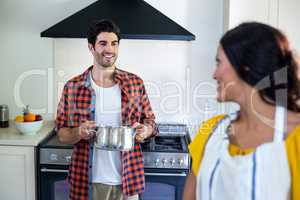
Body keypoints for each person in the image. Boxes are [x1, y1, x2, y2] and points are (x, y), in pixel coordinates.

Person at [183, 22, 300, 200]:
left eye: (219, 63)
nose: (214, 74)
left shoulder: (295, 137)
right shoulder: (211, 131)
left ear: (245, 67)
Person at [55, 19, 158, 200]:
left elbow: (151, 123)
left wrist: (146, 130)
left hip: (128, 181)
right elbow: (62, 134)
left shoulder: (135, 83)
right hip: (88, 183)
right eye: (103, 43)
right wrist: (79, 132)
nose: (109, 49)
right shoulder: (73, 87)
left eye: (114, 43)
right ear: (91, 47)